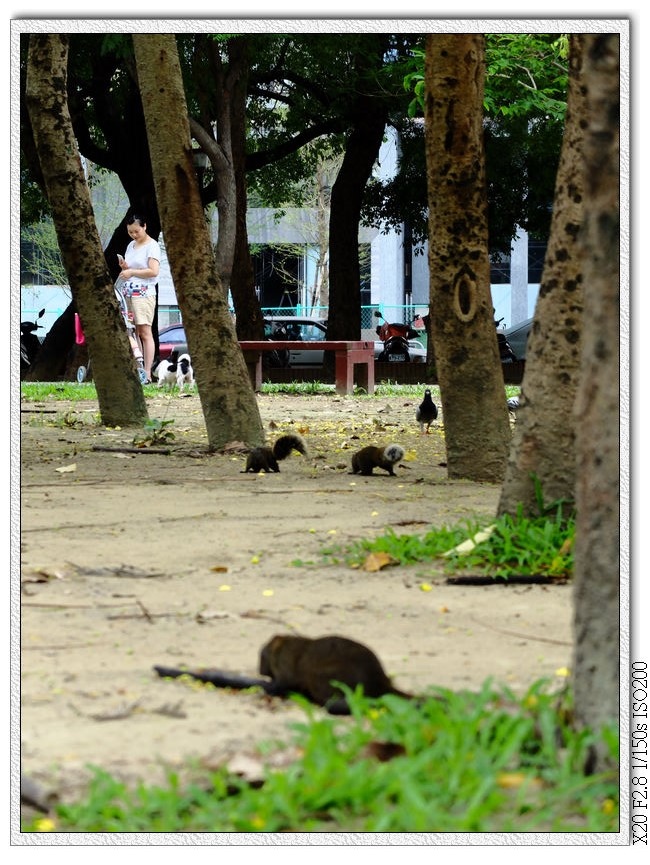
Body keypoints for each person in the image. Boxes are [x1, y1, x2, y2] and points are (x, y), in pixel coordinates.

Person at [118, 214, 161, 383]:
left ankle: (148, 372)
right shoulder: (131, 245)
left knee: (144, 332)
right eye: (130, 232)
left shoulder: (152, 246)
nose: (134, 235)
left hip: (143, 294)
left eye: (136, 231)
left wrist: (132, 272)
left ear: (145, 227)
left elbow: (153, 271)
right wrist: (125, 267)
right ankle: (139, 369)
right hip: (127, 292)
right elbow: (132, 267)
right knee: (132, 331)